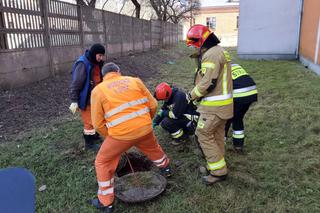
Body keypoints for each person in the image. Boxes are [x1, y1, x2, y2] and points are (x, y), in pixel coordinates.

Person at [90, 62, 171, 212]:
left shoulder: (98, 91)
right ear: (118, 71)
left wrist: (111, 136)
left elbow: (97, 123)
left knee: (102, 162)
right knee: (153, 148)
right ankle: (166, 168)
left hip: (120, 136)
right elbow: (153, 105)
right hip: (145, 128)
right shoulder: (135, 81)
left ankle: (106, 202)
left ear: (103, 76)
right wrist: (145, 122)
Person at [186, 24, 233, 184]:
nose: (194, 47)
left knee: (203, 134)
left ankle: (219, 171)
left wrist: (191, 96)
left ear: (200, 41)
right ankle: (217, 164)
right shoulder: (220, 51)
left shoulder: (211, 55)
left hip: (213, 107)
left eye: (194, 44)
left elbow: (207, 83)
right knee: (217, 135)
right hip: (224, 105)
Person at [68, 43, 105, 151]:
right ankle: (89, 143)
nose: (101, 58)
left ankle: (94, 136)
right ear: (94, 54)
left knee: (97, 117)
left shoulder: (97, 63)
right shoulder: (83, 64)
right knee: (89, 121)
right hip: (86, 98)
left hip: (96, 97)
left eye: (102, 56)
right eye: (100, 55)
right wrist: (74, 100)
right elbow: (76, 83)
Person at [225, 63, 258, 151]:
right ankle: (238, 145)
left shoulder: (221, 69)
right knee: (237, 118)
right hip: (252, 93)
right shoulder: (235, 65)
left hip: (239, 94)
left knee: (226, 118)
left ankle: (221, 142)